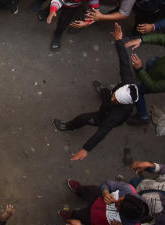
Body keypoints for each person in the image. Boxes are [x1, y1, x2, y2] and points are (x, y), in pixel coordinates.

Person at [54, 23, 141, 160]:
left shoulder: (117, 115)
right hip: (109, 100)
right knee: (106, 93)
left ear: (122, 103)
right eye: (115, 96)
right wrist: (118, 40)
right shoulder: (127, 82)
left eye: (116, 100)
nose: (114, 98)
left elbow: (102, 132)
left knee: (84, 118)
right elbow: (124, 60)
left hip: (105, 114)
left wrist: (85, 149)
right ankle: (102, 90)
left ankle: (69, 126)